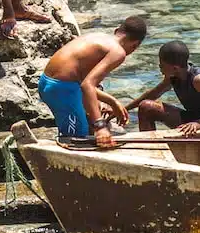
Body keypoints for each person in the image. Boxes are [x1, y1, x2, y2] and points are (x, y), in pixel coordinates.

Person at [38, 17, 148, 148]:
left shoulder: (98, 36)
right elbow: (87, 85)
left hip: (46, 82)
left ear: (117, 30)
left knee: (79, 126)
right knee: (77, 141)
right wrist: (100, 126)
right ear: (135, 45)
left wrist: (112, 102)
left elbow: (82, 82)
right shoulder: (118, 52)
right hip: (62, 90)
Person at [126, 39, 200, 137]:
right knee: (146, 107)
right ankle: (150, 145)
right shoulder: (173, 76)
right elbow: (153, 94)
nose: (159, 68)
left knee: (147, 106)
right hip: (191, 118)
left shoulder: (199, 80)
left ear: (175, 68)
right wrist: (123, 109)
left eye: (162, 65)